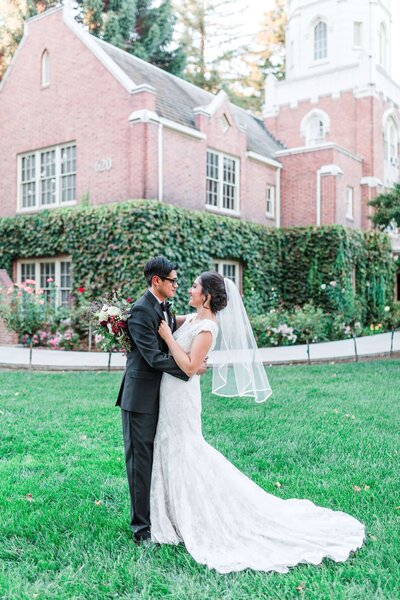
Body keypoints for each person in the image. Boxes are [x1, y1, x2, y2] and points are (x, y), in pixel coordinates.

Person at [151, 271, 365, 573]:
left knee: (187, 449)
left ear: (208, 296)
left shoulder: (208, 328)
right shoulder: (195, 319)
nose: (189, 289)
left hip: (182, 396)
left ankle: (194, 514)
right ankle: (170, 513)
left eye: (195, 286)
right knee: (171, 446)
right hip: (170, 394)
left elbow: (188, 367)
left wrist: (168, 339)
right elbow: (169, 322)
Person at [116, 256, 205, 543]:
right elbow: (153, 358)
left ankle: (160, 516)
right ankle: (141, 529)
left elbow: (170, 325)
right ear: (157, 281)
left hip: (161, 398)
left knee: (157, 460)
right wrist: (189, 367)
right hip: (140, 399)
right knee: (140, 463)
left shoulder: (162, 306)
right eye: (173, 281)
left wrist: (195, 318)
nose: (177, 285)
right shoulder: (142, 311)